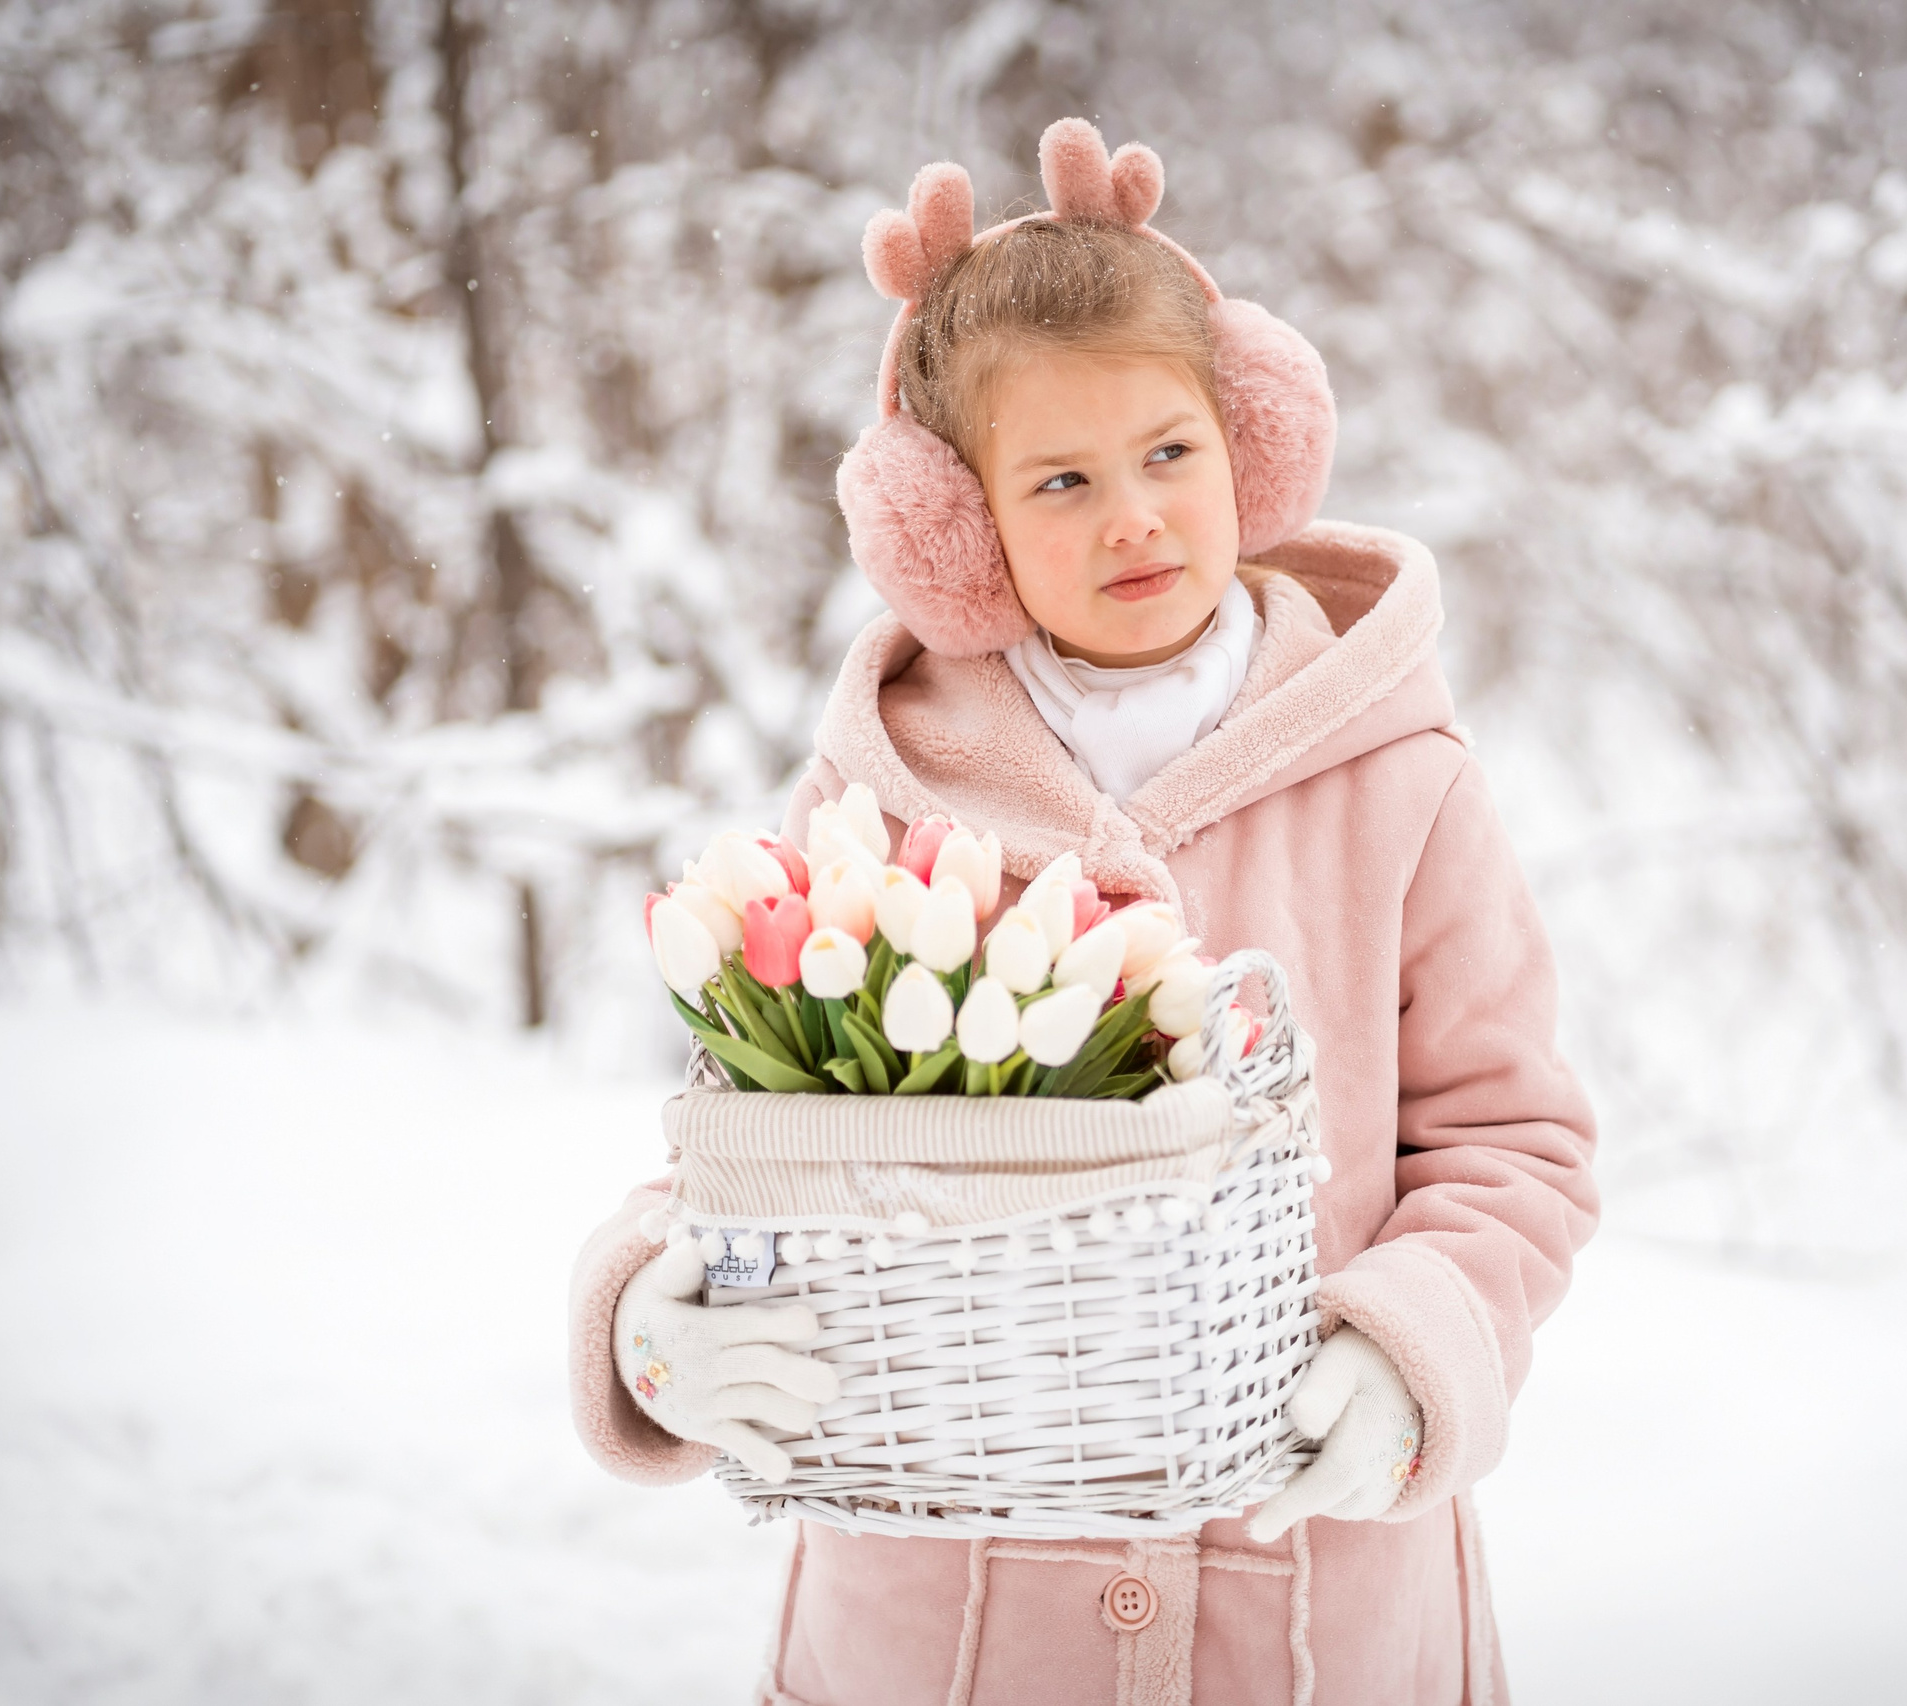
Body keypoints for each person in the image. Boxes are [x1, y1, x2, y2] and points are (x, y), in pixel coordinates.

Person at [568, 118, 1598, 1706]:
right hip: (947, 1640)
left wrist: (1412, 1348)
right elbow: (749, 1131)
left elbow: (1512, 1140)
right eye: (1061, 479)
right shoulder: (878, 796)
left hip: (1319, 1624)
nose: (1135, 515)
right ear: (954, 531)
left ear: (1248, 442)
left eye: (1170, 453)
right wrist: (651, 1306)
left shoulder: (1400, 781)